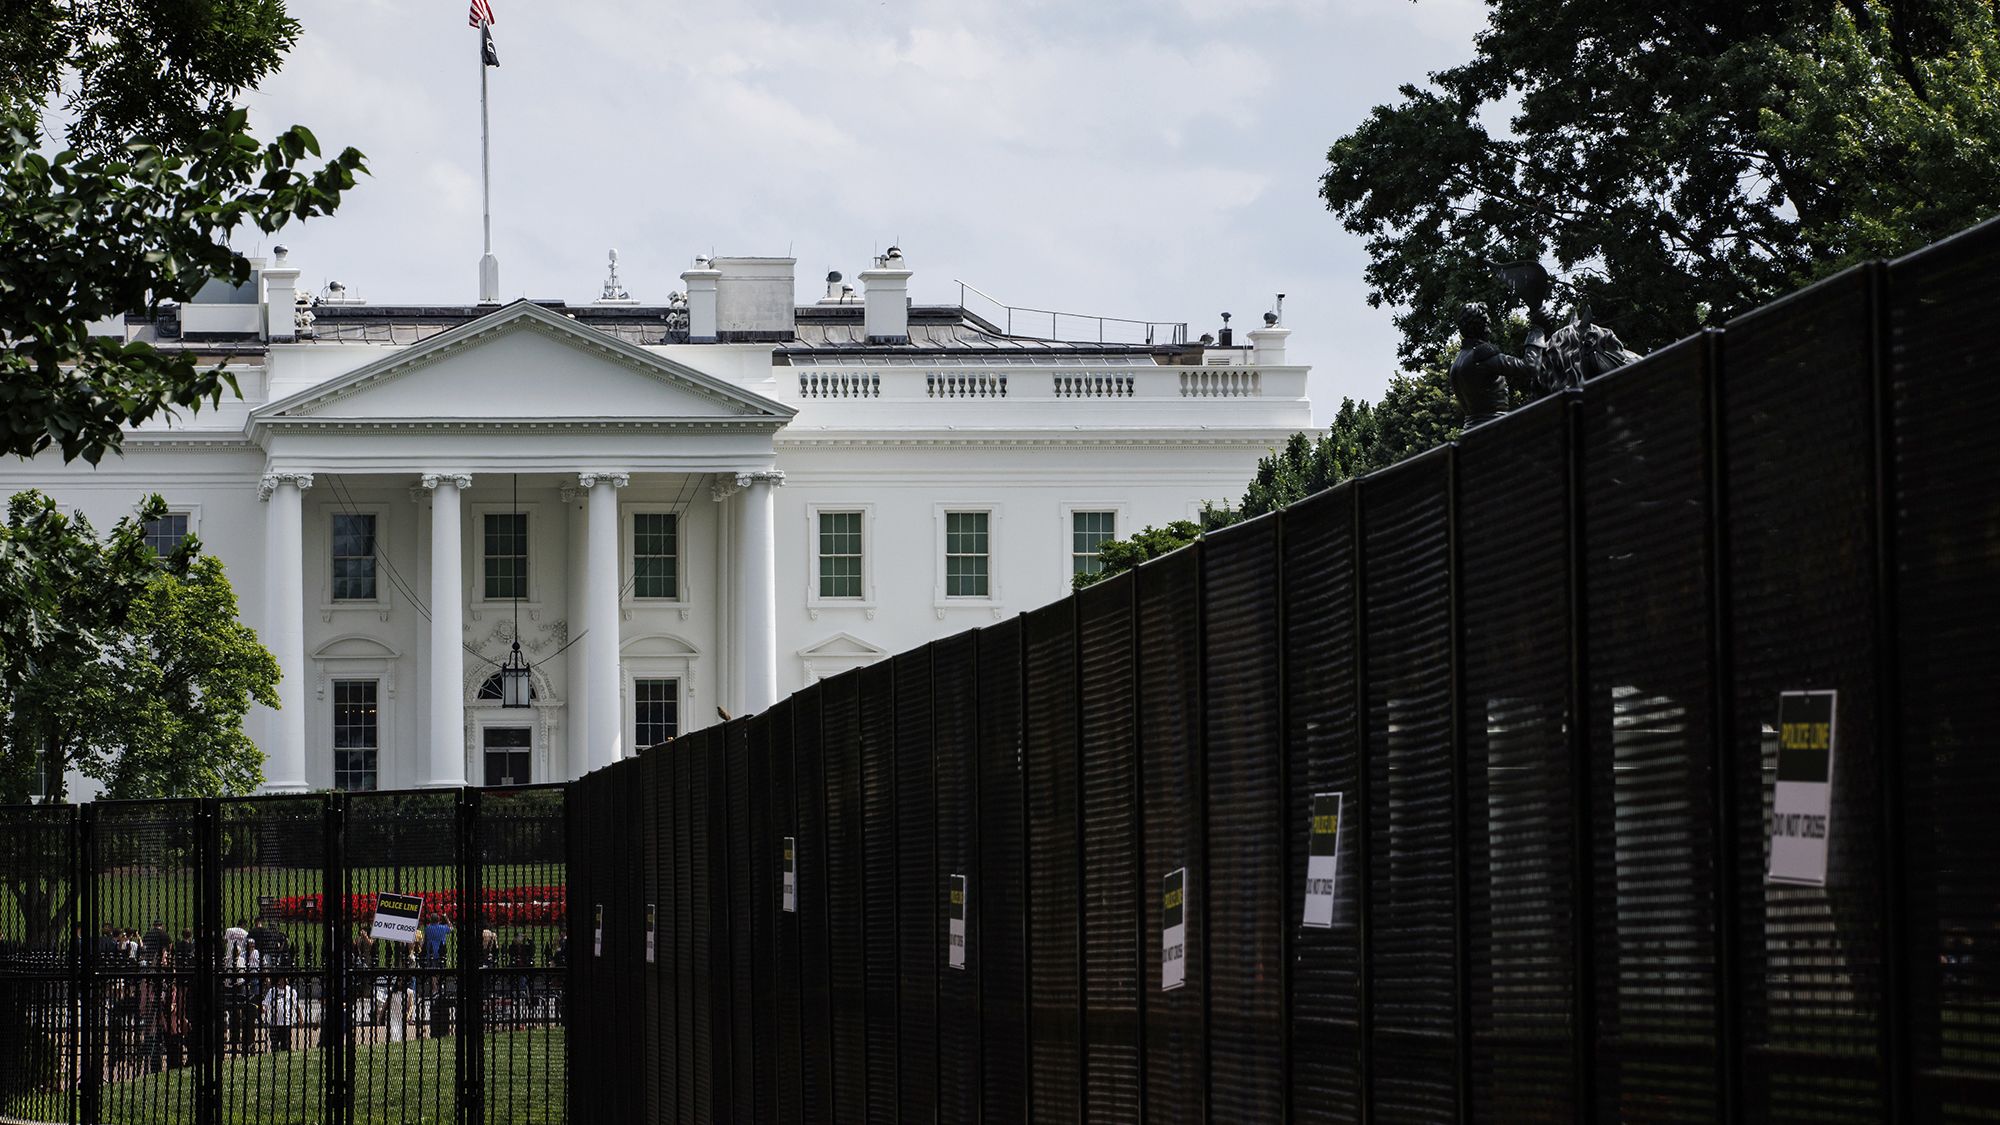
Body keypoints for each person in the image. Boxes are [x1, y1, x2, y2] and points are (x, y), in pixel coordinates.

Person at [1449, 303, 1547, 428]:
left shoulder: (1457, 362)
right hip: (1496, 429)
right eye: (1486, 324)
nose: (1489, 329)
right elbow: (1529, 367)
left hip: (1470, 430)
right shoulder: (1481, 355)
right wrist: (1537, 329)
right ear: (1480, 326)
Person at [261, 975, 299, 1053]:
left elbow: (296, 1006)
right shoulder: (272, 991)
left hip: (286, 1022)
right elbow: (265, 1004)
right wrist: (263, 1009)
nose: (282, 981)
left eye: (284, 979)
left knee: (285, 1045)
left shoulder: (291, 991)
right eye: (280, 979)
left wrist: (300, 1018)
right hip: (274, 1022)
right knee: (274, 1045)